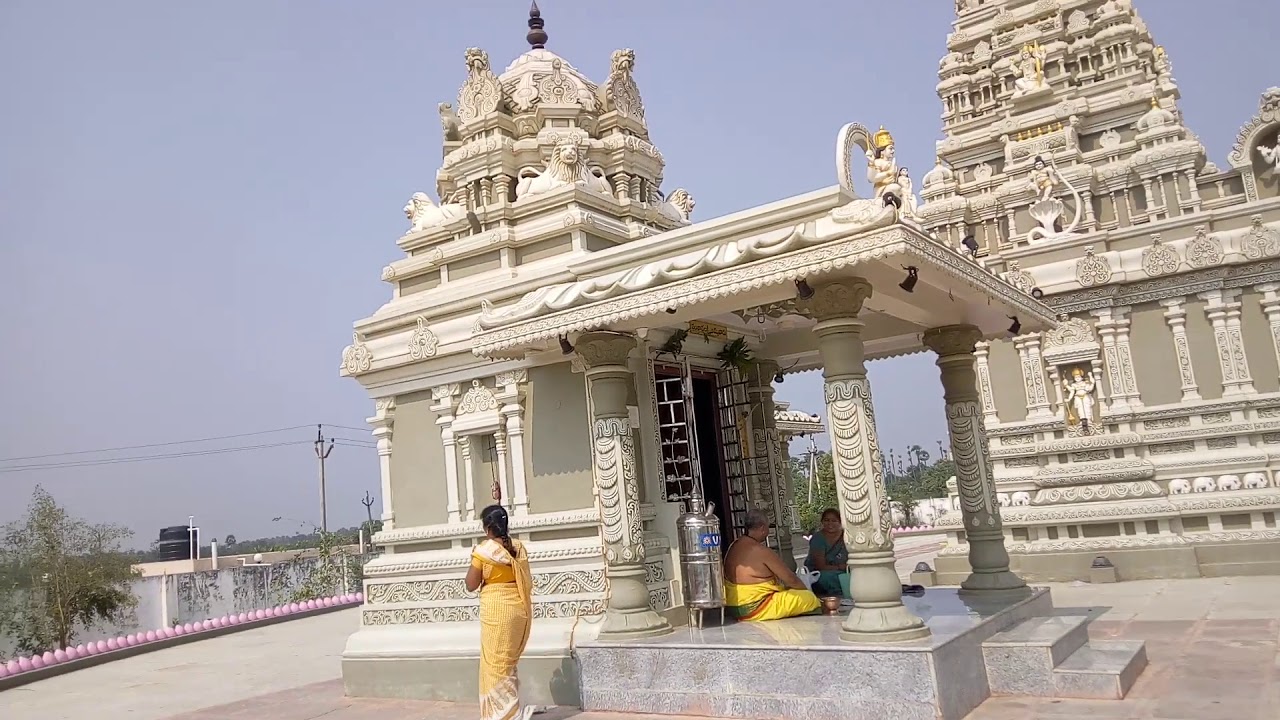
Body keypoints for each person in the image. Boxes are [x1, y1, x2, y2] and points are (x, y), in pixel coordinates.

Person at [466, 505, 534, 720]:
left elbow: (470, 584)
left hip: (497, 612)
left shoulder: (484, 552)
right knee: (507, 664)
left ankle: (503, 716)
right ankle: (511, 712)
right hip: (518, 610)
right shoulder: (519, 548)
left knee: (496, 666)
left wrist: (475, 561)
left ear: (487, 528)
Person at [723, 509, 821, 621]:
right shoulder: (761, 550)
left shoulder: (733, 545)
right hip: (755, 607)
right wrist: (805, 591)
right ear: (762, 528)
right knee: (808, 599)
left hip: (732, 606)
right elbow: (791, 579)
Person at [807, 508, 848, 597]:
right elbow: (820, 566)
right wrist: (840, 567)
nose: (830, 524)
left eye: (834, 521)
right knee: (825, 577)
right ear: (822, 522)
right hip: (822, 573)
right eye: (826, 520)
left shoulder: (847, 536)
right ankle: (839, 596)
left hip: (845, 572)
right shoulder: (818, 538)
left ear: (840, 522)